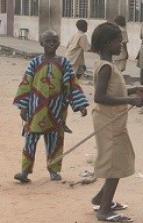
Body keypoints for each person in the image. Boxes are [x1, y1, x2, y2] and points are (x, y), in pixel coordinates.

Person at [90, 22, 143, 223]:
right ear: (108, 43)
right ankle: (104, 210)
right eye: (119, 41)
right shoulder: (106, 67)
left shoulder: (106, 65)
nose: (122, 45)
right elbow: (100, 97)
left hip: (110, 119)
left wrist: (134, 90)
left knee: (115, 158)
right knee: (114, 163)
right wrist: (130, 100)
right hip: (110, 121)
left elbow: (112, 91)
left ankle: (101, 198)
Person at [13, 30, 89, 183]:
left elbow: (73, 84)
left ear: (58, 44)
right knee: (30, 140)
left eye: (54, 41)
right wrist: (23, 106)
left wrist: (80, 105)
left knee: (54, 141)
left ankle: (54, 171)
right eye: (48, 41)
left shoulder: (64, 63)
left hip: (56, 110)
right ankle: (25, 171)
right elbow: (26, 83)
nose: (51, 44)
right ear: (42, 43)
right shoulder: (34, 63)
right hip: (35, 110)